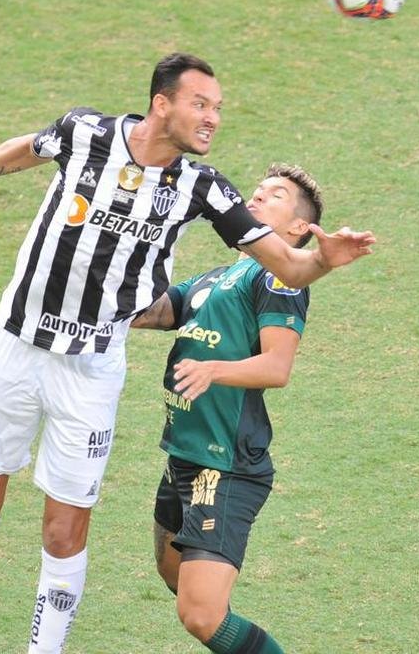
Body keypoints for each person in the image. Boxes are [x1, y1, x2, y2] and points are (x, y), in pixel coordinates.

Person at [0, 53, 376, 654]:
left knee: (66, 525)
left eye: (218, 110)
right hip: (15, 344)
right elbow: (32, 147)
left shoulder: (204, 188)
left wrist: (323, 262)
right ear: (162, 103)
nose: (212, 119)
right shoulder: (86, 132)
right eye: (201, 105)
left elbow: (289, 265)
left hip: (92, 368)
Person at [131, 163, 326, 654]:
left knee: (200, 615)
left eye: (275, 196)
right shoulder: (221, 277)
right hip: (184, 455)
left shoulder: (279, 280)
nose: (256, 199)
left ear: (298, 228)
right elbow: (152, 312)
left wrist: (214, 370)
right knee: (174, 574)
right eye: (256, 192)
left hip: (227, 465)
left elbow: (277, 367)